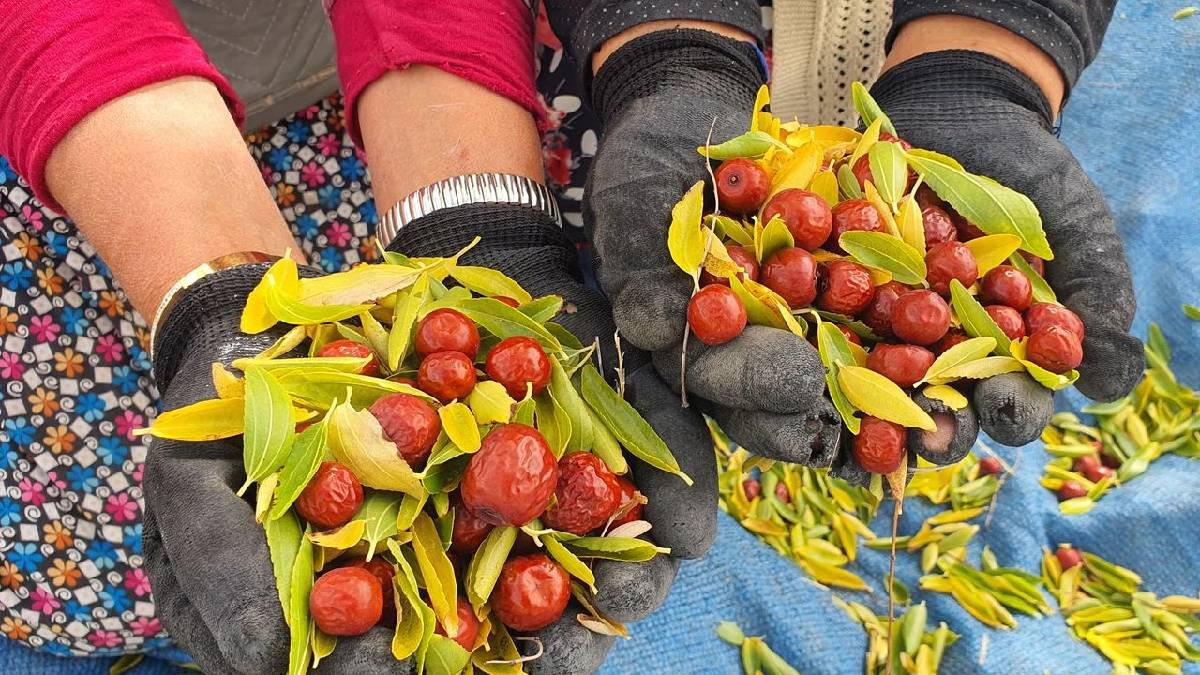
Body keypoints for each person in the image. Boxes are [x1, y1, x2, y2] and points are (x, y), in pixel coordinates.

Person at [0, 1, 1140, 673]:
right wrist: (205, 284)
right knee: (170, 504)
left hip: (468, 66)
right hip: (104, 120)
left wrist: (983, 58)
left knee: (555, 303)